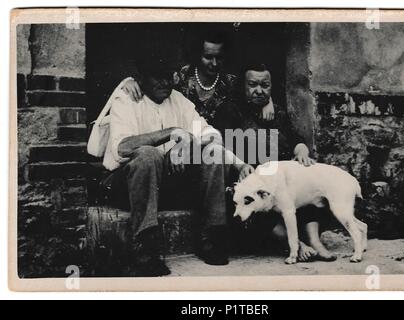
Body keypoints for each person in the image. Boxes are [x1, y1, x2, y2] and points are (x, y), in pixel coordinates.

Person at [102, 54, 253, 276]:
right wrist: (172, 133)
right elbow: (122, 147)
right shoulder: (126, 100)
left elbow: (212, 135)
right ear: (142, 78)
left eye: (169, 76)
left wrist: (188, 144)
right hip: (128, 185)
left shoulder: (179, 101)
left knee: (213, 153)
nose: (165, 82)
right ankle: (144, 247)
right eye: (157, 77)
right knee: (147, 155)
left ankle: (212, 236)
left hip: (166, 185)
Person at [215, 63, 337, 262]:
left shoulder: (277, 112)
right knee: (256, 204)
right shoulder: (230, 111)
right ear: (243, 86)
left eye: (265, 85)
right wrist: (240, 165)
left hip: (280, 180)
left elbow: (296, 139)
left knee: (306, 186)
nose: (259, 91)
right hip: (247, 178)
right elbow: (221, 146)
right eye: (253, 85)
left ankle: (315, 241)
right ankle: (296, 245)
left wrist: (302, 153)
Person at [119, 30, 275, 125]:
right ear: (196, 55)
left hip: (218, 149)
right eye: (208, 57)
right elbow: (153, 82)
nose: (214, 63)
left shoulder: (231, 82)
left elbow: (256, 91)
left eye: (219, 57)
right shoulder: (179, 76)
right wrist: (129, 81)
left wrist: (268, 102)